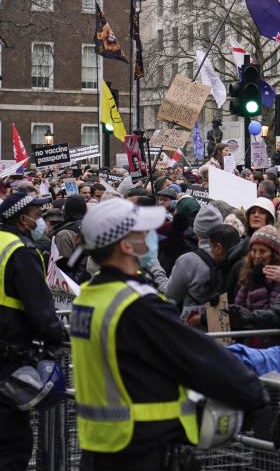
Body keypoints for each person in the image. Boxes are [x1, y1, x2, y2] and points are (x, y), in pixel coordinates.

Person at [70, 198, 265, 470]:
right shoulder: (136, 304)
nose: (151, 236)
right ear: (126, 245)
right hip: (144, 449)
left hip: (103, 447)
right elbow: (196, 357)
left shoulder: (90, 298)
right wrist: (254, 393)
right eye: (143, 231)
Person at [0, 193, 67, 470]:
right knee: (12, 446)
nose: (40, 220)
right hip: (8, 358)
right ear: (22, 219)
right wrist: (57, 337)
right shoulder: (20, 250)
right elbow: (39, 307)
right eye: (37, 215)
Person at [234, 226, 280, 347]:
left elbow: (269, 314)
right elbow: (239, 305)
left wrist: (259, 287)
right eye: (254, 250)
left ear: (273, 254)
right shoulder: (248, 272)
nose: (257, 256)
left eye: (262, 251)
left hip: (268, 344)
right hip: (249, 340)